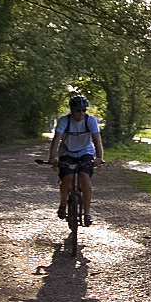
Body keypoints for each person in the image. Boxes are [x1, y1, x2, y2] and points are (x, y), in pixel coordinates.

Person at [48, 94, 103, 226]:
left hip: (85, 151)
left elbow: (96, 139)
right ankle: (62, 205)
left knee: (85, 177)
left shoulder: (90, 120)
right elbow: (56, 140)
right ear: (72, 110)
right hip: (67, 152)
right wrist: (53, 157)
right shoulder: (64, 121)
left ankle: (87, 213)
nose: (81, 113)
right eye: (78, 110)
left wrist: (99, 157)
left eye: (84, 110)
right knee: (67, 178)